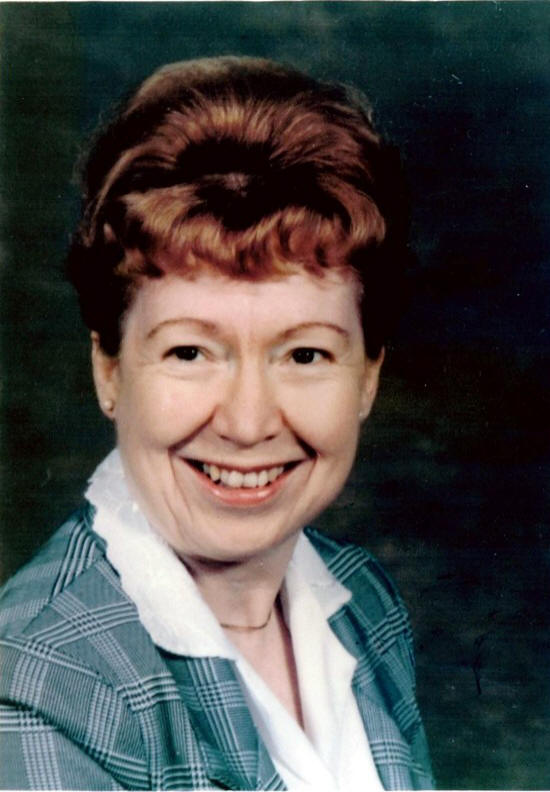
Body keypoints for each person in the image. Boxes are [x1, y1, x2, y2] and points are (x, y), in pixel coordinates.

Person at [0, 56, 433, 790]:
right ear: (110, 369)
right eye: (190, 352)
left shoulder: (364, 601)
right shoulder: (41, 686)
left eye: (304, 354)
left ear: (367, 377)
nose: (247, 422)